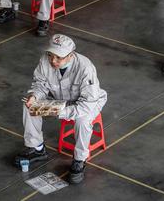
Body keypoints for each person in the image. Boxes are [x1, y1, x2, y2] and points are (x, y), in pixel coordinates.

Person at [14, 34, 107, 184]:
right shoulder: (45, 60)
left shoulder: (85, 68)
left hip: (86, 102)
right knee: (29, 107)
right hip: (58, 99)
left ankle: (79, 160)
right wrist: (34, 96)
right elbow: (40, 84)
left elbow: (87, 104)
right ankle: (37, 149)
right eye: (51, 55)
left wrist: (61, 112)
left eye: (59, 58)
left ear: (70, 55)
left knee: (82, 121)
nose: (53, 61)